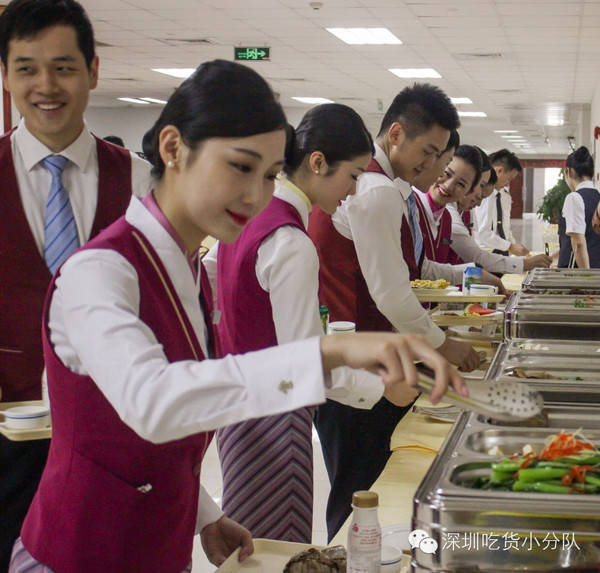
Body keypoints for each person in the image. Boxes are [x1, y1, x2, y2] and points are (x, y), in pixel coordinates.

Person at [9, 59, 465, 573]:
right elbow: (154, 403)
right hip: (75, 555)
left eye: (270, 175)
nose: (256, 195)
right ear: (173, 148)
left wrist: (203, 512)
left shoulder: (182, 267)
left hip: (158, 546)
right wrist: (330, 351)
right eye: (240, 167)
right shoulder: (99, 271)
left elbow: (164, 437)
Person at [206, 104, 423, 544]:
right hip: (274, 417)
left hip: (237, 407)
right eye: (352, 175)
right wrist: (383, 388)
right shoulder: (290, 241)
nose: (353, 191)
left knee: (251, 545)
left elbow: (212, 283)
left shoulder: (248, 216)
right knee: (272, 545)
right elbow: (303, 362)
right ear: (317, 162)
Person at [0, 0, 153, 568]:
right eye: (26, 67)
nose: (46, 85)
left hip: (113, 452)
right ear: (5, 74)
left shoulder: (141, 185)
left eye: (63, 67)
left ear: (93, 71)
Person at [307, 83, 479, 540]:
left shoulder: (384, 186)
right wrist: (444, 346)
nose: (433, 166)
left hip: (359, 356)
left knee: (362, 486)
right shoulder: (379, 190)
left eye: (440, 155)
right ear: (396, 133)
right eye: (428, 151)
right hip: (358, 363)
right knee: (358, 491)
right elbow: (390, 294)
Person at [418, 146, 552, 272]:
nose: (448, 186)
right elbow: (475, 251)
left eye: (462, 183)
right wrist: (523, 262)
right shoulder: (422, 204)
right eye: (447, 174)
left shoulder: (447, 215)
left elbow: (431, 269)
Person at [474, 148, 528, 256]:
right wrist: (510, 246)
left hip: (503, 251)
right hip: (486, 253)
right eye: (509, 179)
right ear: (499, 171)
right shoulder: (483, 196)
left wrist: (514, 247)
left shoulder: (504, 195)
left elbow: (505, 228)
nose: (508, 183)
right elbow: (483, 234)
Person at [559, 146, 600, 268]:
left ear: (569, 172)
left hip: (577, 275)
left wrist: (586, 278)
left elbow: (578, 243)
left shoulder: (574, 198)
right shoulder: (597, 196)